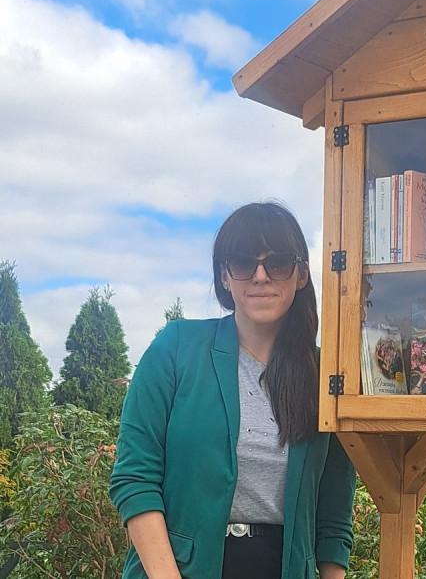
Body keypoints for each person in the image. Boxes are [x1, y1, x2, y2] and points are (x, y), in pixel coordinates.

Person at [110, 202, 357, 579]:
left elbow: (333, 517)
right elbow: (135, 479)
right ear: (225, 276)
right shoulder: (175, 348)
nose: (260, 276)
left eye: (276, 263)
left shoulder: (327, 377)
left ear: (301, 274)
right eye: (243, 263)